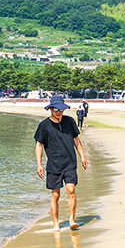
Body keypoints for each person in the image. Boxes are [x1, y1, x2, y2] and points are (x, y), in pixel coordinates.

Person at [35, 94, 89, 232]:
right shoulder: (44, 126)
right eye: (55, 110)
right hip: (54, 165)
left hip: (70, 162)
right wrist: (39, 164)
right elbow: (39, 145)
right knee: (55, 194)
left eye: (61, 109)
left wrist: (82, 156)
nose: (59, 112)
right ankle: (55, 224)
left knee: (71, 190)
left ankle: (71, 220)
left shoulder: (70, 121)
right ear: (50, 109)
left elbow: (76, 140)